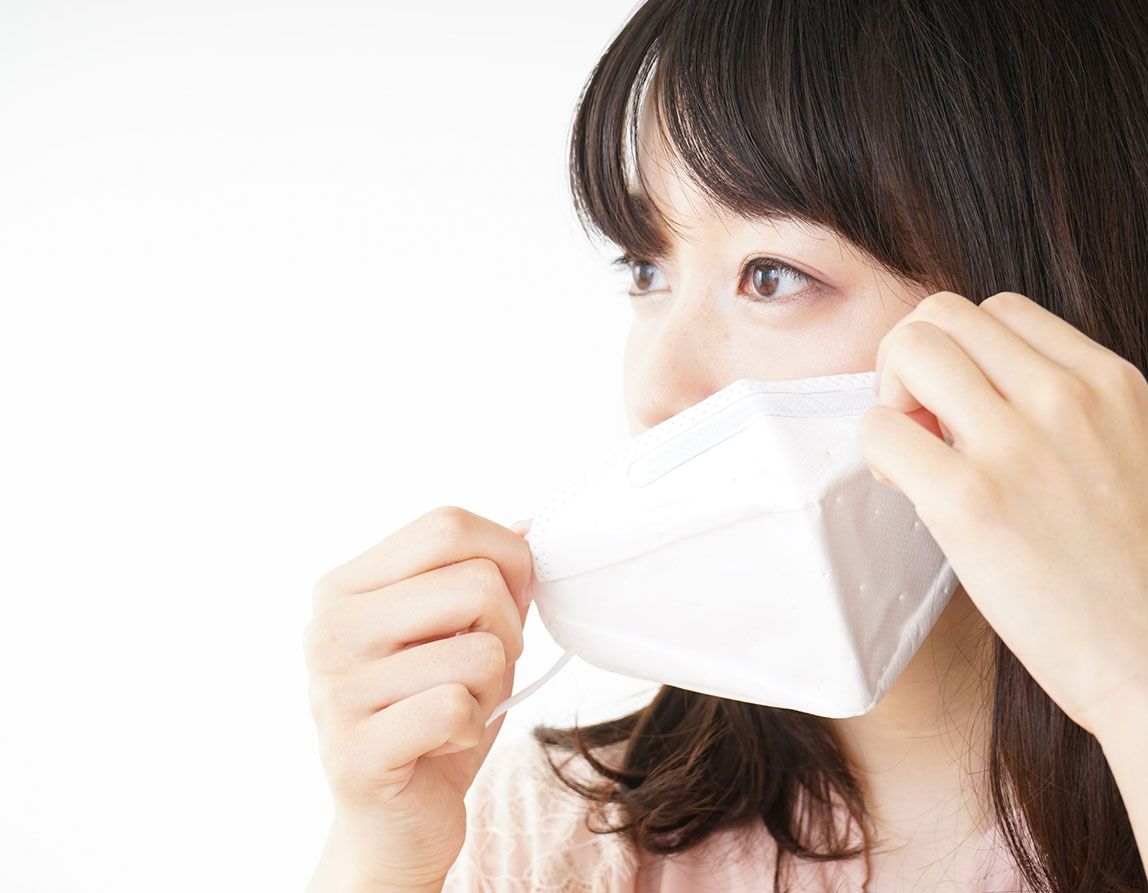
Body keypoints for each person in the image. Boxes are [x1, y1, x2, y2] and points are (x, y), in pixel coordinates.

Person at [302, 0, 1148, 890]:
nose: (655, 390)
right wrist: (378, 856)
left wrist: (1131, 675)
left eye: (771, 276)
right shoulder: (560, 837)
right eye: (646, 269)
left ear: (1047, 309)